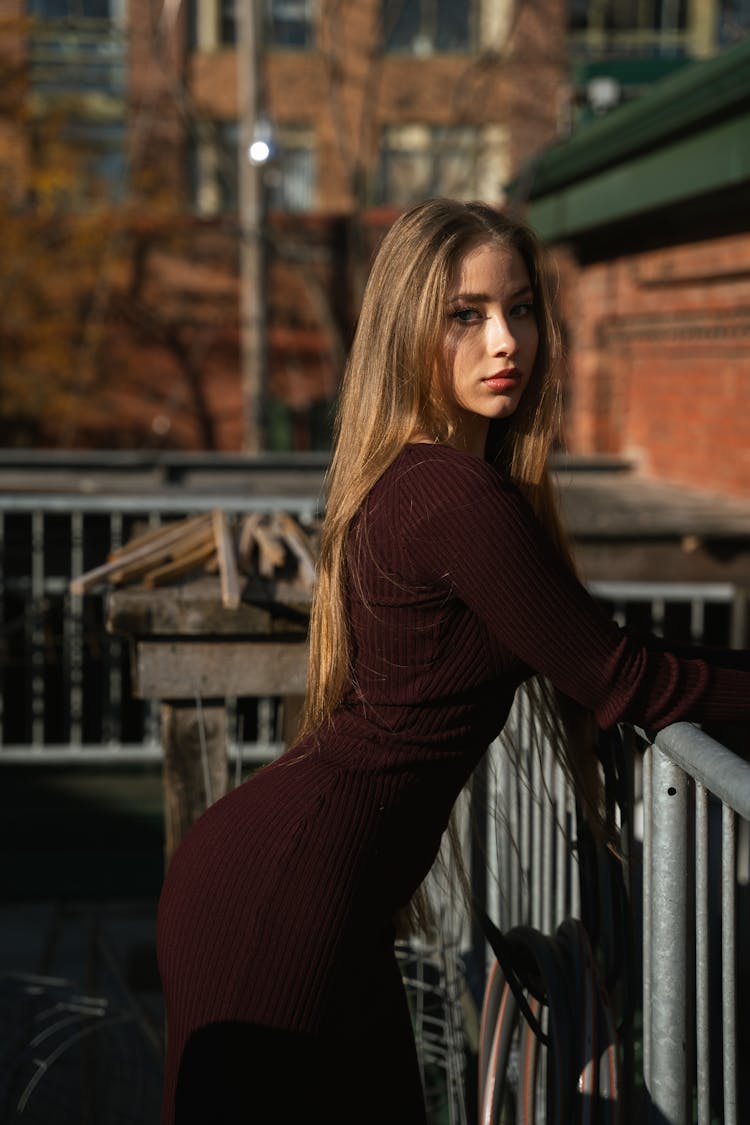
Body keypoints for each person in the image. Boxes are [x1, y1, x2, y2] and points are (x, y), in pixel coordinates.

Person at [156, 198, 750, 1123]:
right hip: (279, 908)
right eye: (465, 316)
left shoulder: (419, 478)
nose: (505, 339)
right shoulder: (452, 495)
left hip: (295, 894)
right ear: (407, 330)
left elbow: (607, 646)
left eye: (521, 308)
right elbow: (626, 679)